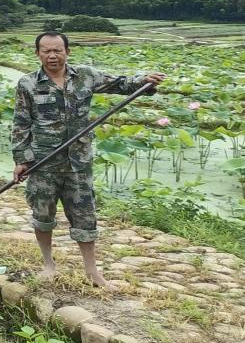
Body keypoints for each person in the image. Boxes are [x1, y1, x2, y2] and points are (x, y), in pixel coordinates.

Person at [11, 31, 164, 287]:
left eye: (57, 50)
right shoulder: (27, 84)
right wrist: (21, 159)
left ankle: (92, 272)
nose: (52, 55)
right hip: (43, 162)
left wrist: (143, 81)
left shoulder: (86, 75)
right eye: (46, 50)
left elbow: (121, 83)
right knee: (43, 214)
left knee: (85, 214)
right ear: (37, 53)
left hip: (78, 162)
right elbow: (20, 123)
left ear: (67, 52)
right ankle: (48, 264)